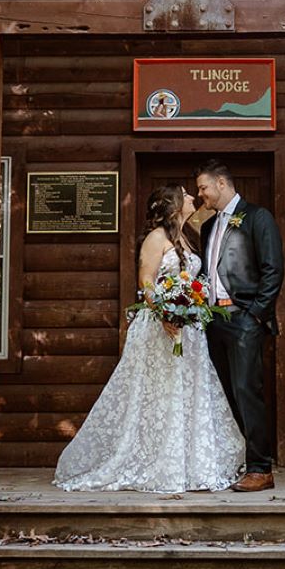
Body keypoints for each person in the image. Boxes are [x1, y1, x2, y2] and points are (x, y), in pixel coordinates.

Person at [53, 184, 245, 493]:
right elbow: (146, 282)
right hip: (160, 329)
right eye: (184, 194)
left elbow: (191, 282)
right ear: (172, 206)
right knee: (159, 393)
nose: (191, 196)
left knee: (187, 392)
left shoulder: (187, 236)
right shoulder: (156, 239)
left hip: (190, 330)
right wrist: (166, 315)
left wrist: (190, 308)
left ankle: (189, 462)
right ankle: (154, 462)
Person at [194, 159, 284, 492]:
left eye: (203, 187)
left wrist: (256, 314)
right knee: (224, 394)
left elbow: (273, 268)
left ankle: (261, 468)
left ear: (221, 183)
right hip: (212, 320)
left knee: (248, 392)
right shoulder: (207, 224)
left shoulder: (258, 217)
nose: (200, 193)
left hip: (244, 318)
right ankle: (234, 461)